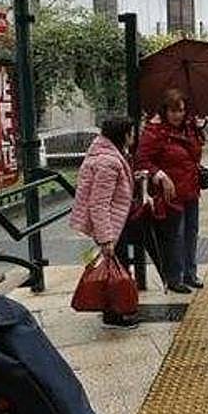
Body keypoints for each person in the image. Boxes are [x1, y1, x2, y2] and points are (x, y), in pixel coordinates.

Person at [70, 117, 140, 328]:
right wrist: (106, 238)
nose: (134, 137)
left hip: (115, 222)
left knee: (115, 269)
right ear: (124, 135)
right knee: (114, 271)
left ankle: (116, 310)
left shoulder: (107, 155)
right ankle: (114, 314)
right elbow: (98, 203)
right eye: (132, 132)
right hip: (111, 226)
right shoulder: (108, 161)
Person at [136, 89, 204, 294]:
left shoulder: (189, 127)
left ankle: (190, 274)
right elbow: (141, 160)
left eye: (181, 110)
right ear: (165, 111)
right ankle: (175, 277)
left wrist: (198, 129)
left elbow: (195, 154)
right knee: (175, 236)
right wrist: (159, 175)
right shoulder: (155, 132)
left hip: (191, 189)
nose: (178, 115)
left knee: (191, 233)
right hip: (170, 195)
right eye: (173, 111)